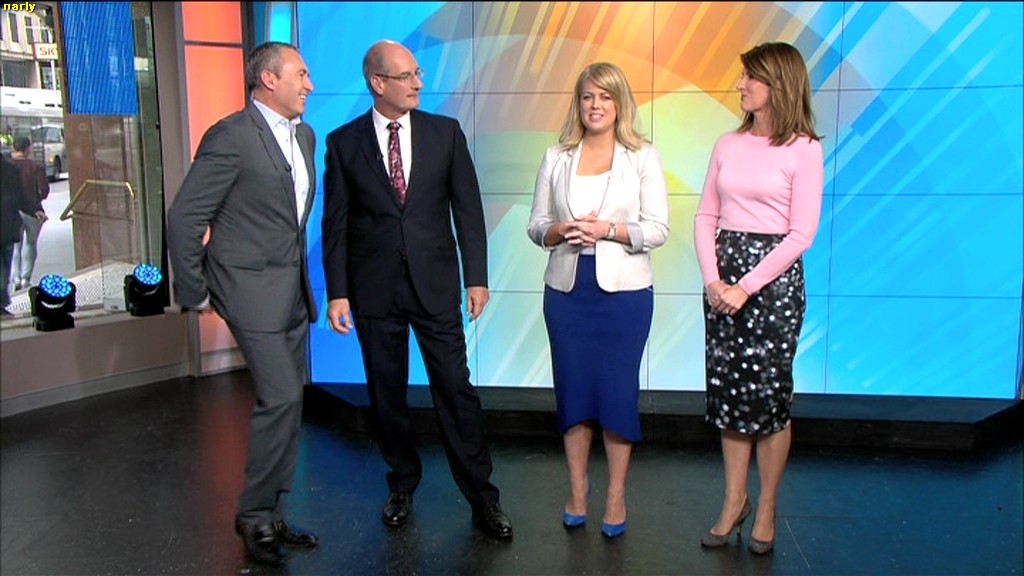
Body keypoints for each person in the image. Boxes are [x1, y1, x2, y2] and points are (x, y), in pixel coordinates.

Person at [321, 39, 513, 541]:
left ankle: (483, 496)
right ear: (377, 83)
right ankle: (402, 484)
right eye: (406, 76)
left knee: (455, 388)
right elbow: (335, 225)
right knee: (386, 393)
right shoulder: (343, 143)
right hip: (373, 290)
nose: (418, 84)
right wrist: (337, 293)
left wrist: (476, 278)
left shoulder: (444, 134)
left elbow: (467, 210)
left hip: (435, 285)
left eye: (417, 73)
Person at [166, 41, 320, 566]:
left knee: (291, 402)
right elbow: (185, 218)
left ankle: (272, 512)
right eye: (301, 74)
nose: (309, 85)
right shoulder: (230, 136)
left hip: (291, 290)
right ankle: (253, 516)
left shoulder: (304, 135)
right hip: (247, 289)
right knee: (280, 396)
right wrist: (196, 291)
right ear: (268, 79)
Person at [527, 62, 670, 539]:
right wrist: (559, 231)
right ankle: (578, 490)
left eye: (605, 97)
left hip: (624, 298)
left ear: (619, 103)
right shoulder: (556, 156)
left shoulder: (642, 156)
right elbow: (536, 226)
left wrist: (608, 230)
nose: (596, 105)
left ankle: (615, 496)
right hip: (567, 293)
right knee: (572, 392)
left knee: (616, 394)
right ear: (578, 103)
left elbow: (658, 229)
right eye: (588, 96)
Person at [694, 42, 823, 555]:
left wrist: (745, 287)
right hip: (721, 282)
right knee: (729, 396)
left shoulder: (805, 149)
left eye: (750, 76)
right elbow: (706, 216)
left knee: (768, 400)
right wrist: (713, 281)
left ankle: (766, 505)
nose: (740, 84)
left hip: (772, 288)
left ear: (778, 83)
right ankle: (734, 501)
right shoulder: (727, 143)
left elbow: (801, 234)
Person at [9, 136, 49, 291]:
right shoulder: (36, 166)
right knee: (31, 244)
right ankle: (26, 278)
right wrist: (37, 202)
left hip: (13, 211)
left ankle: (16, 278)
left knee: (16, 245)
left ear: (14, 148)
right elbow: (44, 190)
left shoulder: (7, 166)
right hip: (33, 211)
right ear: (28, 149)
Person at [2, 153, 31, 315]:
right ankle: (2, 301)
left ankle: (2, 301)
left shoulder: (10, 170)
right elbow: (21, 198)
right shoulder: (11, 170)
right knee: (5, 265)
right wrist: (35, 209)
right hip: (8, 227)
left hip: (7, 226)